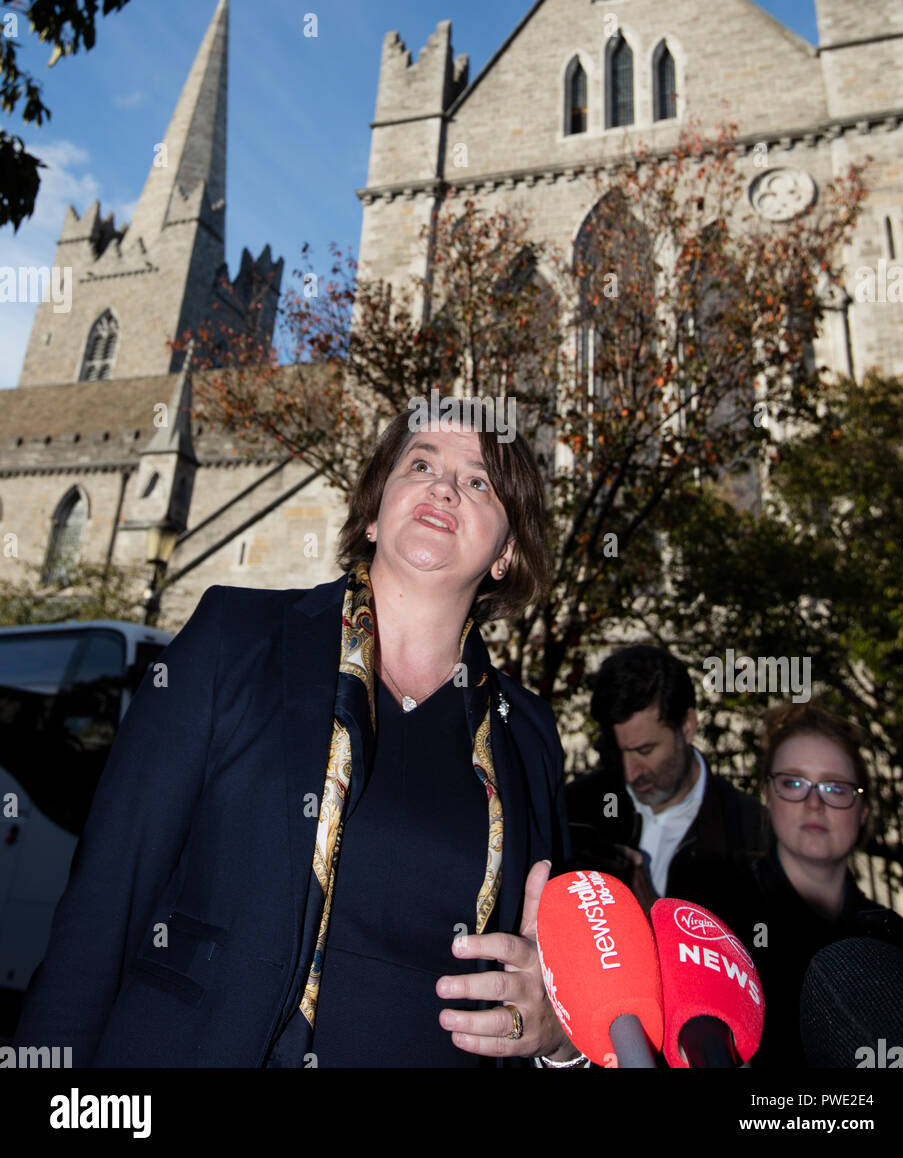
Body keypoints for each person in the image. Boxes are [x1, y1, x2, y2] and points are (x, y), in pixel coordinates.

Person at [14, 404, 581, 1068]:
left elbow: (549, 980)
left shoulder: (528, 735)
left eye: (479, 481)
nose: (444, 486)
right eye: (421, 463)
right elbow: (106, 903)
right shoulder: (236, 637)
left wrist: (559, 1037)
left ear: (507, 553)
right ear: (374, 513)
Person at [710, 703, 903, 1068]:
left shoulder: (901, 945)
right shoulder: (712, 909)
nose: (814, 803)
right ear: (767, 796)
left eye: (835, 788)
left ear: (864, 811)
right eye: (793, 783)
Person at [566, 645, 765, 913]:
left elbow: (754, 951)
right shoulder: (573, 809)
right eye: (618, 751)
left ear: (688, 726)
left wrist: (654, 915)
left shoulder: (752, 835)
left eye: (644, 751)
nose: (630, 772)